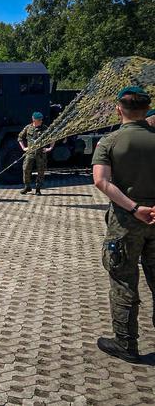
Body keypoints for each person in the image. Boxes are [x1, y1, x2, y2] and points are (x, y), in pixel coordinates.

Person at [92, 86, 155, 363]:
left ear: (119, 109)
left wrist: (134, 208)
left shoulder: (110, 141)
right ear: (146, 110)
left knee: (124, 282)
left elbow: (101, 181)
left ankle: (126, 343)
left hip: (126, 223)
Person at [18, 112, 55, 195]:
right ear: (33, 119)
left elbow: (52, 138)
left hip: (41, 154)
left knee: (40, 171)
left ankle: (38, 188)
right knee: (26, 169)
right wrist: (24, 148)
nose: (41, 121)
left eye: (41, 120)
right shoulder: (28, 128)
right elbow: (20, 137)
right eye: (39, 120)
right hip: (30, 153)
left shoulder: (45, 128)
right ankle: (27, 186)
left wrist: (50, 148)